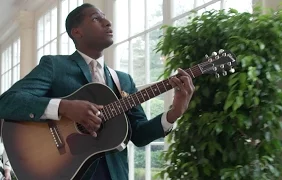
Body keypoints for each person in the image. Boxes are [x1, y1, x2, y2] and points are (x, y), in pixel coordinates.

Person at [0, 3, 195, 180]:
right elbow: (7, 102)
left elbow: (139, 135)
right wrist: (64, 107)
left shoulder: (123, 80)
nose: (108, 22)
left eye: (105, 17)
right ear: (77, 32)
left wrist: (173, 114)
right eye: (96, 18)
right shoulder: (55, 66)